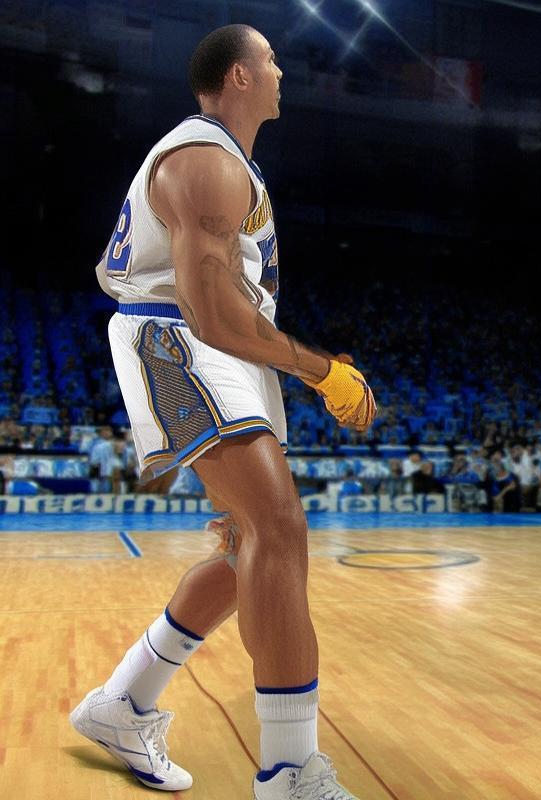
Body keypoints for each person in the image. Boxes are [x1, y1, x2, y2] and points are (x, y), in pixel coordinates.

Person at [70, 25, 374, 799]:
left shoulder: (232, 163)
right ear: (239, 76)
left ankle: (122, 704)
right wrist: (322, 371)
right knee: (280, 529)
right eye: (270, 60)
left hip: (221, 348)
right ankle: (289, 771)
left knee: (248, 552)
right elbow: (209, 311)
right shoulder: (204, 160)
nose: (281, 71)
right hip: (180, 338)